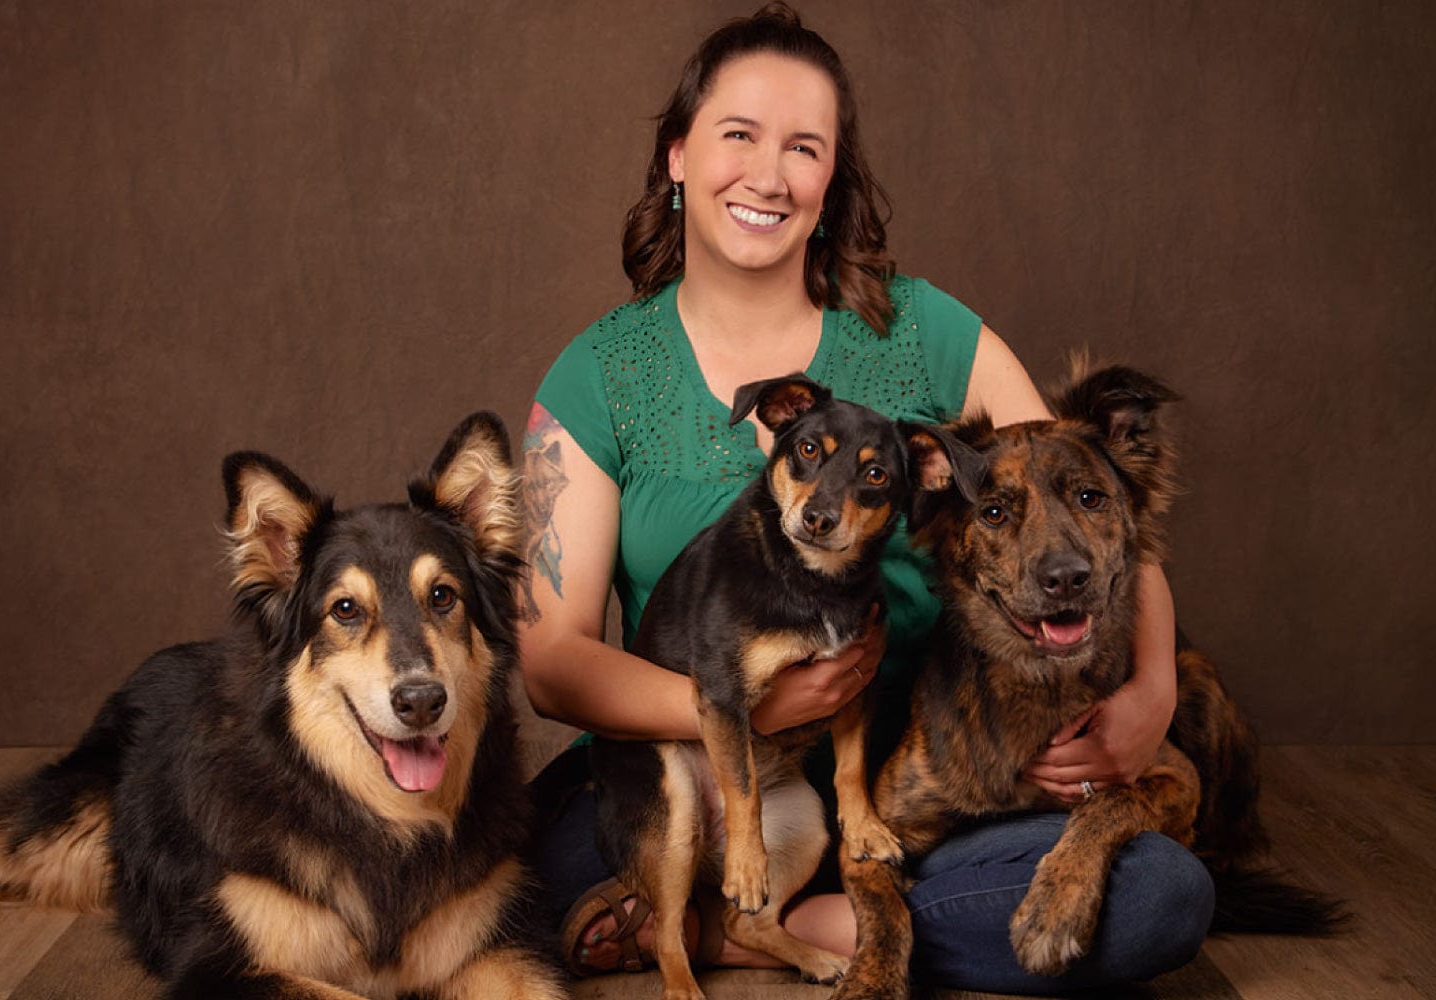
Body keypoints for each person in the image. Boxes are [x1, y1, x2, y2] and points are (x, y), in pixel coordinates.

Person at [518, 4, 1213, 993]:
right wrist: (746, 709)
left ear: (831, 177)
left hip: (909, 787)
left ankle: (770, 923)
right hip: (688, 775)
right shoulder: (601, 373)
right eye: (737, 136)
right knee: (508, 889)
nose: (767, 175)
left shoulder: (922, 330)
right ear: (677, 155)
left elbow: (1095, 500)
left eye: (804, 147)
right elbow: (550, 662)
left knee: (1158, 895)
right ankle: (763, 917)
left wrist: (1152, 691)